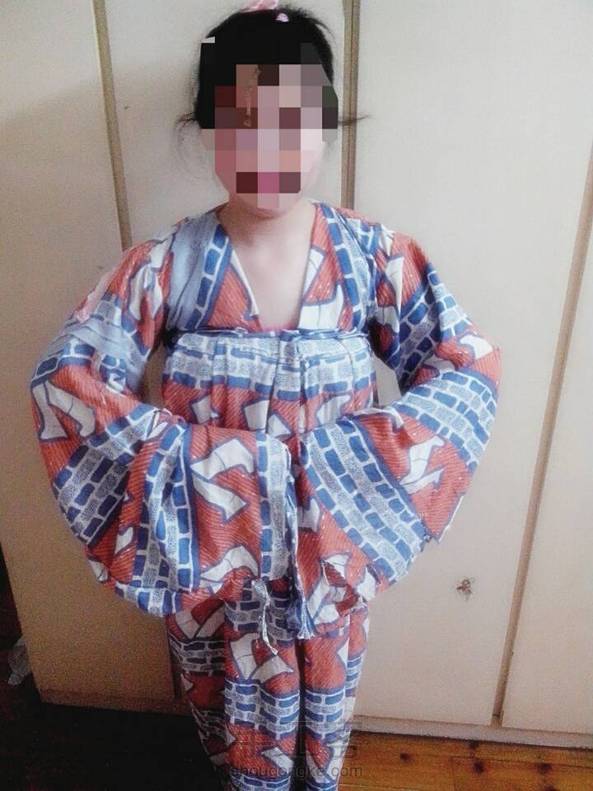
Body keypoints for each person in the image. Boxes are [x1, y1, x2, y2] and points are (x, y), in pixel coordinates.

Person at [28, 2, 503, 789]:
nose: (266, 146)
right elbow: (67, 382)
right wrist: (190, 466)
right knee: (220, 713)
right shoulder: (168, 265)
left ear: (326, 125)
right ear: (207, 127)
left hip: (327, 572)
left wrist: (347, 466)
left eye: (293, 119)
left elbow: (465, 369)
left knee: (324, 706)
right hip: (209, 577)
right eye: (240, 120)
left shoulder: (372, 258)